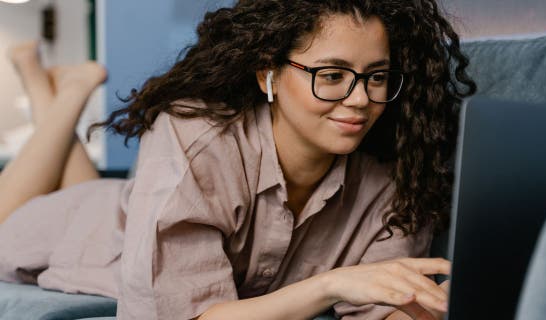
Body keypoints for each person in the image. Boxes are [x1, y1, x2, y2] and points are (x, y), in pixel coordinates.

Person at [0, 0, 476, 319]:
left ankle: (56, 89)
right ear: (267, 73)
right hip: (89, 230)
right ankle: (66, 95)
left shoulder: (400, 171)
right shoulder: (196, 136)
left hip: (134, 199)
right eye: (331, 75)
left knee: (93, 190)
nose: (359, 100)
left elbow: (385, 301)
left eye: (377, 77)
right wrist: (333, 285)